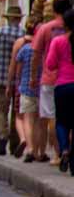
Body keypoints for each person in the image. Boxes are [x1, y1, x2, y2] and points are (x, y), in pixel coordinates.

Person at [30, 0, 72, 165]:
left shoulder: (46, 29)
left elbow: (37, 54)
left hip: (52, 80)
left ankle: (57, 153)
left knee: (52, 117)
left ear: (54, 10)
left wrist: (33, 77)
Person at [0, 6, 25, 156]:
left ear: (8, 18)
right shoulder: (23, 35)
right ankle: (15, 144)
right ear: (19, 19)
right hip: (19, 80)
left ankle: (2, 136)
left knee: (1, 109)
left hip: (1, 78)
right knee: (17, 112)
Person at [44, 9, 74, 175]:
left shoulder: (58, 41)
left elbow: (50, 64)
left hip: (62, 86)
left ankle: (63, 149)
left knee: (62, 121)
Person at [12, 21, 44, 162]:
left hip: (26, 87)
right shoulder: (44, 50)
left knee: (27, 118)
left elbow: (18, 71)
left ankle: (29, 148)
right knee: (37, 121)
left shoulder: (25, 49)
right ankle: (37, 151)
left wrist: (16, 83)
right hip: (41, 88)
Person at [7, 19, 37, 159]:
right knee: (35, 119)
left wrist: (10, 84)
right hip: (39, 86)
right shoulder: (40, 45)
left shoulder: (21, 44)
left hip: (23, 86)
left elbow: (15, 67)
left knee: (20, 117)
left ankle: (24, 140)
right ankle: (36, 149)